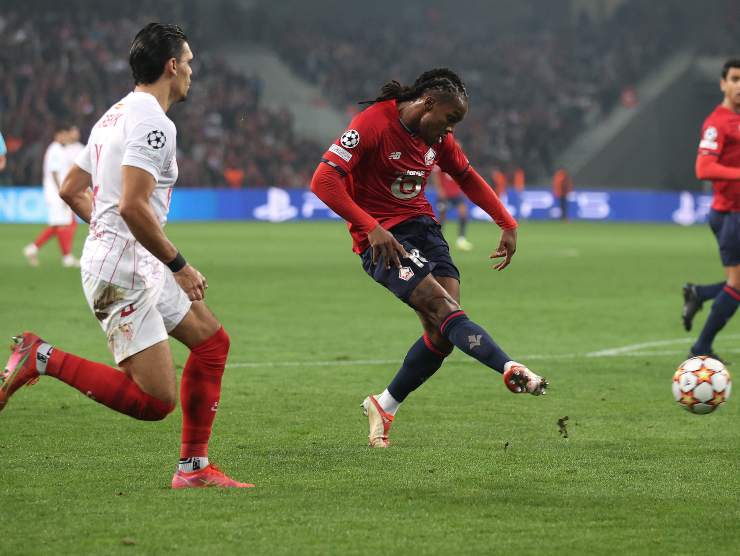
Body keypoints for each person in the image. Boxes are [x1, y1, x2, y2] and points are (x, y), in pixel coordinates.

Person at [1, 23, 251, 489]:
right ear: (172, 66)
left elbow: (72, 190)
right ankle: (42, 356)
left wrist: (109, 231)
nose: (193, 72)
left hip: (132, 260)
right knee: (155, 402)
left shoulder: (113, 114)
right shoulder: (154, 123)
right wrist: (181, 265)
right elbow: (133, 205)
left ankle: (193, 471)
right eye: (190, 63)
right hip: (126, 272)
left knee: (213, 344)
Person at [310, 68, 548, 448]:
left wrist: (507, 222)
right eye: (449, 119)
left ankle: (383, 404)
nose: (450, 130)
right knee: (443, 309)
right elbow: (323, 179)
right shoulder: (371, 124)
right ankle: (508, 366)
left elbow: (467, 177)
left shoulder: (437, 139)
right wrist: (370, 226)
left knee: (442, 332)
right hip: (383, 241)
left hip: (424, 229)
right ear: (428, 103)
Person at [682, 58, 740, 360]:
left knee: (738, 283)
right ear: (723, 83)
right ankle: (701, 347)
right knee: (737, 285)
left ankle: (700, 294)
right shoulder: (717, 122)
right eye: (735, 79)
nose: (739, 86)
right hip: (731, 214)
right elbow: (703, 167)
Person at [22, 123, 81, 267]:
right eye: (65, 135)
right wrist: (63, 192)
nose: (67, 137)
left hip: (57, 192)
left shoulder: (59, 149)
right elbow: (54, 173)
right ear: (59, 135)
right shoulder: (55, 150)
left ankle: (36, 249)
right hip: (56, 193)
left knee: (63, 223)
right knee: (62, 224)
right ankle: (62, 256)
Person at [431, 165, 473, 250]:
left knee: (463, 213)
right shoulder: (439, 161)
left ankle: (461, 240)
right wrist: (439, 189)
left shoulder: (457, 159)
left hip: (456, 193)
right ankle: (438, 239)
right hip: (444, 194)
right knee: (442, 216)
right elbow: (435, 175)